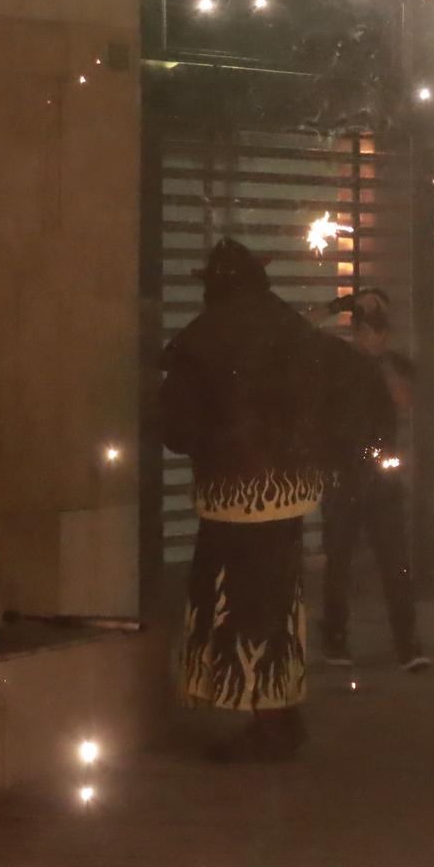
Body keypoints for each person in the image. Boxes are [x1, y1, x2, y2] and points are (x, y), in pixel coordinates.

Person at [160, 239, 344, 762]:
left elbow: (177, 426)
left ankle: (267, 719)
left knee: (241, 604)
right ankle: (280, 711)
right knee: (278, 601)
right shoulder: (289, 327)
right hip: (286, 493)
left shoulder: (203, 336)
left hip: (231, 496)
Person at [319, 289, 428, 671]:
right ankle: (334, 639)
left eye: (380, 326)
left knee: (395, 559)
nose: (374, 334)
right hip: (343, 473)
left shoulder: (394, 363)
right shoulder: (336, 358)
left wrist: (381, 361)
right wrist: (340, 306)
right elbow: (299, 331)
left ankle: (407, 643)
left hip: (382, 475)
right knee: (339, 561)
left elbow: (405, 401)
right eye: (367, 326)